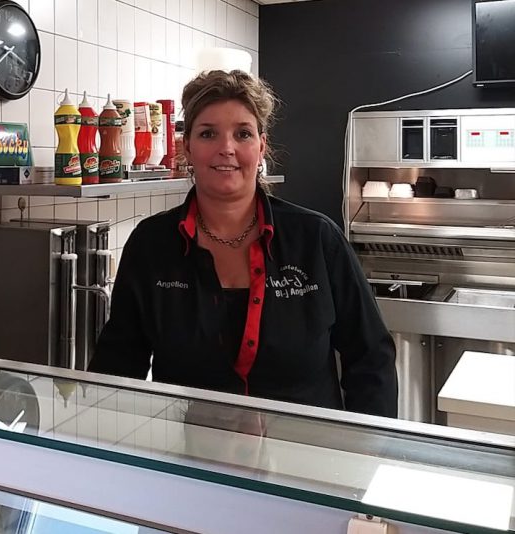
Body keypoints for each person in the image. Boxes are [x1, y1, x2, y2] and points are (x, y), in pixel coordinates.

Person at [88, 70, 397, 418]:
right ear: (187, 147)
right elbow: (118, 363)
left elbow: (371, 358)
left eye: (243, 133)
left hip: (304, 448)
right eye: (208, 133)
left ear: (261, 146)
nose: (227, 148)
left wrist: (366, 445)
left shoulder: (316, 238)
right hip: (191, 448)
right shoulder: (152, 243)